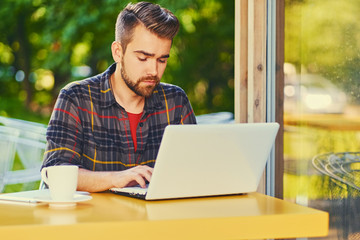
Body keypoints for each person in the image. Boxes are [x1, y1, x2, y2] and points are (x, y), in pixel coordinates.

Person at [41, 1, 197, 192]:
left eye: (162, 59)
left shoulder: (176, 101)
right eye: (143, 58)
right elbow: (55, 172)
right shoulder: (76, 98)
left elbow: (193, 170)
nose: (153, 70)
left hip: (154, 220)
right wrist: (117, 178)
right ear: (118, 52)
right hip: (91, 220)